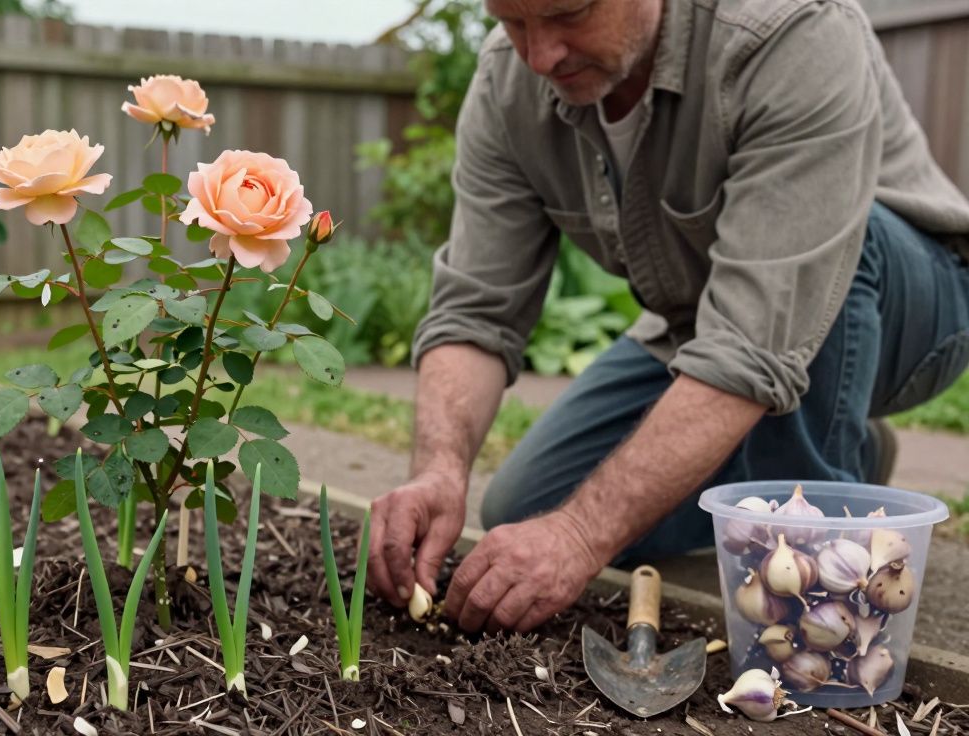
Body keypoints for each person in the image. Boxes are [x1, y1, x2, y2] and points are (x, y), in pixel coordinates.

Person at [366, 0, 969, 635]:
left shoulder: (789, 30)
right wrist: (438, 469)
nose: (540, 55)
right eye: (513, 22)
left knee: (831, 253)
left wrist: (581, 534)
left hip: (913, 310)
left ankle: (813, 521)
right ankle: (831, 451)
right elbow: (474, 309)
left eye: (568, 13)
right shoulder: (508, 83)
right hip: (703, 322)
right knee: (530, 509)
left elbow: (753, 339)